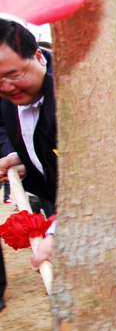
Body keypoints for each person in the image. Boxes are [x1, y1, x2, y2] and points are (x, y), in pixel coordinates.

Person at [0, 19, 58, 218]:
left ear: (39, 57)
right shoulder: (7, 102)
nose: (6, 87)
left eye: (14, 75)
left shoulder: (72, 96)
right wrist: (23, 158)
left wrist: (58, 232)